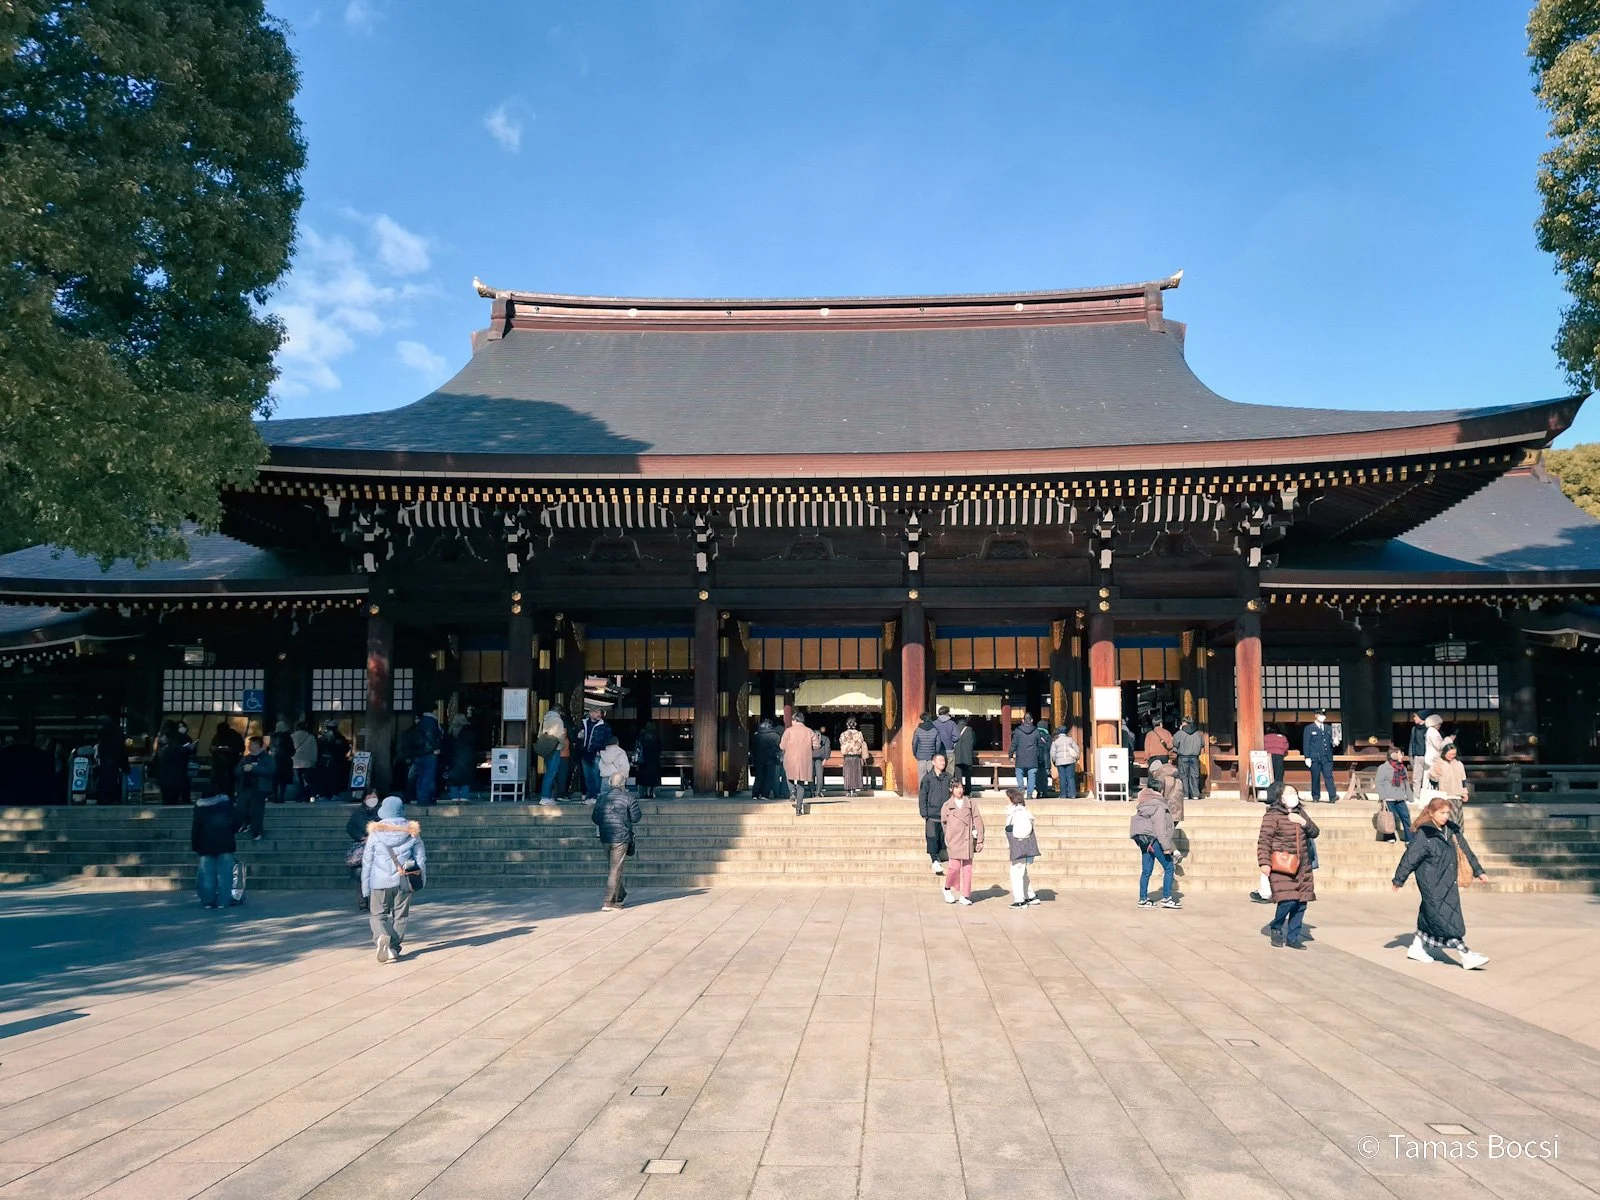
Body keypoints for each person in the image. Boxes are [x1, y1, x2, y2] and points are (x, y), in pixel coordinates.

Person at [1393, 795, 1489, 969]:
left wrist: (1478, 871)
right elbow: (1410, 858)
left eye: (1447, 812)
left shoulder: (1451, 830)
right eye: (1442, 812)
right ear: (1431, 813)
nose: (1445, 816)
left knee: (1431, 917)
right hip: (1430, 883)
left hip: (1448, 881)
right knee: (1447, 919)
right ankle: (1465, 954)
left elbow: (1466, 851)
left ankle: (1416, 947)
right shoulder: (1425, 834)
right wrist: (1399, 879)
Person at [361, 795, 426, 963]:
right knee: (401, 916)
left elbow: (367, 862)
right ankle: (394, 948)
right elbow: (420, 859)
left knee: (377, 915)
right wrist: (421, 879)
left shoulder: (376, 833)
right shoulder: (412, 833)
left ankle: (382, 936)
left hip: (379, 881)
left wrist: (365, 887)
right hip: (403, 880)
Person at [1257, 783, 1319, 948]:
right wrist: (1264, 862)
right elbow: (1264, 840)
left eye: (1295, 792)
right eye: (1289, 792)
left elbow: (1315, 832)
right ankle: (1276, 927)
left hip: (1303, 865)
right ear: (1281, 797)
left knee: (1301, 903)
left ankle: (1293, 937)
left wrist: (1303, 822)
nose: (1293, 795)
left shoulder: (1300, 813)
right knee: (1287, 900)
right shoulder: (1273, 816)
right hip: (1282, 864)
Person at [593, 771, 643, 911]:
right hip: (621, 836)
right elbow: (636, 818)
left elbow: (595, 818)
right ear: (623, 784)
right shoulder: (629, 797)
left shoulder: (602, 798)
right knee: (615, 868)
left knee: (614, 867)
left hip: (605, 836)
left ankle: (620, 894)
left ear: (610, 784)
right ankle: (609, 902)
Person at [1129, 782, 1179, 909]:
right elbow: (1160, 828)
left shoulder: (1142, 805)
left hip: (1143, 840)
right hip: (1154, 839)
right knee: (1169, 868)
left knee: (1146, 871)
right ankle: (1167, 898)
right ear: (1161, 790)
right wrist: (1167, 847)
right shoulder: (1159, 806)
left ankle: (1143, 898)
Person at [939, 779, 984, 906]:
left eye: (961, 787)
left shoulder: (970, 803)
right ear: (951, 789)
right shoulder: (947, 806)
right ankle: (947, 888)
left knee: (967, 868)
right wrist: (949, 836)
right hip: (954, 839)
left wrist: (980, 839)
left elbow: (977, 820)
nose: (959, 790)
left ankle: (965, 894)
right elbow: (944, 823)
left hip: (967, 839)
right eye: (956, 787)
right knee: (954, 866)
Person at [191, 790, 238, 909]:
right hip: (225, 842)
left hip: (205, 843)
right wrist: (230, 832)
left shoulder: (199, 806)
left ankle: (207, 900)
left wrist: (196, 845)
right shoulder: (226, 802)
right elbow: (236, 821)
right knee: (225, 874)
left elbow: (196, 827)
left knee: (207, 874)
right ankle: (223, 901)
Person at [1004, 788, 1042, 908]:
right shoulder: (1018, 811)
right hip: (1020, 845)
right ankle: (1031, 896)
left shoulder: (1018, 812)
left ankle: (1019, 899)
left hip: (1019, 845)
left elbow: (1022, 830)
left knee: (1016, 872)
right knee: (1022, 872)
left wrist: (1016, 837)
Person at [918, 751, 953, 876]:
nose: (942, 763)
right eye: (940, 761)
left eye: (943, 761)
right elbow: (922, 797)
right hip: (932, 814)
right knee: (932, 838)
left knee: (943, 839)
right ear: (933, 762)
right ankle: (934, 860)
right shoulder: (927, 779)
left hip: (945, 815)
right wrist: (924, 813)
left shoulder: (948, 778)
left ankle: (941, 858)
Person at [345, 792, 381, 909]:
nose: (372, 799)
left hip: (378, 846)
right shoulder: (358, 813)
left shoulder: (382, 812)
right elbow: (350, 827)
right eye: (369, 797)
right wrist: (361, 837)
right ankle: (362, 899)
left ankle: (375, 899)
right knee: (360, 872)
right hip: (363, 847)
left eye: (374, 797)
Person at [237, 734, 276, 840]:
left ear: (258, 745)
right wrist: (243, 769)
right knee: (241, 808)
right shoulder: (246, 758)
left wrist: (254, 769)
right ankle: (245, 824)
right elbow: (237, 771)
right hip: (245, 787)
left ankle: (257, 831)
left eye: (252, 744)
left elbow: (271, 771)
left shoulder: (267, 758)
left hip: (259, 788)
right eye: (249, 744)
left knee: (256, 811)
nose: (249, 746)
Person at [1375, 746, 1413, 845]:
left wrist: (1410, 797)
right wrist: (1382, 796)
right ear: (1394, 755)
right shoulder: (1383, 767)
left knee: (1405, 816)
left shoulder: (1402, 767)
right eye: (1400, 753)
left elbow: (1406, 783)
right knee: (1390, 817)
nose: (1402, 756)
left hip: (1400, 797)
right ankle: (1389, 836)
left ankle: (1409, 837)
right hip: (1388, 797)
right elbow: (1379, 783)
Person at [780, 712, 814, 814]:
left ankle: (792, 791)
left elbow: (782, 746)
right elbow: (816, 745)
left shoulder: (788, 731)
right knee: (801, 783)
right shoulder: (809, 731)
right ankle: (799, 808)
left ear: (794, 720)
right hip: (804, 760)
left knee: (788, 775)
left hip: (790, 759)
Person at [1301, 709, 1338, 804]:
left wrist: (1334, 742)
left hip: (1327, 756)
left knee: (1329, 777)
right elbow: (1306, 743)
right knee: (1315, 777)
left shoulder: (1328, 728)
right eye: (1321, 715)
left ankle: (1332, 796)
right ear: (1316, 715)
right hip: (1315, 757)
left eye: (1324, 715)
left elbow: (1330, 742)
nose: (1323, 717)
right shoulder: (1309, 728)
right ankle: (1316, 796)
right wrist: (1307, 757)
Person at [1427, 742, 1469, 821]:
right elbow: (1433, 780)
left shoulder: (1459, 764)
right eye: (1450, 754)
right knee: (1449, 819)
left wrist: (1465, 792)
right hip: (1445, 796)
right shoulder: (1438, 763)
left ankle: (1458, 833)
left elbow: (1463, 780)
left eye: (1454, 754)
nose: (1452, 756)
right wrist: (1435, 774)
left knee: (1458, 819)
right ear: (1444, 753)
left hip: (1457, 795)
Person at [154, 720, 190, 807]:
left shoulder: (160, 738)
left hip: (163, 771)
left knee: (166, 797)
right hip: (176, 771)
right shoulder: (179, 738)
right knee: (174, 798)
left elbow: (156, 752)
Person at [411, 710, 444, 805]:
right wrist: (436, 748)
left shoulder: (419, 723)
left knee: (420, 776)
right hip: (430, 753)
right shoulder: (432, 723)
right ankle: (427, 798)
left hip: (419, 753)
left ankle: (420, 798)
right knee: (428, 777)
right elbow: (435, 737)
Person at [578, 708, 611, 801]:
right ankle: (590, 794)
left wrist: (601, 749)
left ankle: (596, 794)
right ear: (590, 713)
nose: (599, 714)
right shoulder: (583, 724)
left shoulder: (604, 725)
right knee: (587, 775)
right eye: (596, 712)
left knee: (596, 774)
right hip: (585, 752)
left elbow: (608, 738)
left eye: (599, 712)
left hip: (596, 753)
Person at [94, 717, 128, 805]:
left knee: (105, 784)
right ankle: (113, 799)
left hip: (105, 764)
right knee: (112, 782)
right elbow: (121, 752)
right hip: (113, 764)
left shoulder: (102, 737)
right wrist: (125, 767)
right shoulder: (116, 735)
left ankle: (105, 799)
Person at [315, 720, 351, 801]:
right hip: (335, 760)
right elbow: (346, 748)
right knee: (334, 778)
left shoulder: (324, 737)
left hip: (325, 760)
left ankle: (323, 794)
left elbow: (318, 748)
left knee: (324, 777)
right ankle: (333, 793)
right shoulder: (340, 737)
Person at [536, 708, 565, 804]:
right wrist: (563, 744)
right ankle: (545, 796)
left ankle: (547, 796)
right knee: (551, 773)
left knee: (549, 771)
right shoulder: (557, 720)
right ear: (559, 711)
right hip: (555, 748)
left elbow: (540, 734)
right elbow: (560, 735)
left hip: (547, 749)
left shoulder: (545, 718)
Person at [1010, 712, 1042, 799]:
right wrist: (1040, 757)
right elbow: (1040, 745)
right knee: (1032, 775)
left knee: (1019, 772)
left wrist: (1011, 755)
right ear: (1031, 720)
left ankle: (1021, 789)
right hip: (1033, 757)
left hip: (1021, 757)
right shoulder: (1036, 731)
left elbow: (1014, 744)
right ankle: (1029, 794)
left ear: (1023, 720)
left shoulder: (1018, 731)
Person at [445, 713, 476, 801]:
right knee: (466, 779)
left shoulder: (450, 733)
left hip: (453, 760)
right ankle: (464, 797)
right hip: (466, 759)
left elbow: (446, 749)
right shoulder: (469, 732)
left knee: (453, 780)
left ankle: (454, 797)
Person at [209, 721, 244, 798]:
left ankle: (224, 795)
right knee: (227, 780)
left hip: (228, 762)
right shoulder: (233, 735)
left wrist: (227, 750)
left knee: (226, 779)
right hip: (224, 762)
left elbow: (239, 748)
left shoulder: (231, 736)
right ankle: (227, 795)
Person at [1148, 755, 1185, 825]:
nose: (1152, 775)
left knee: (1164, 830)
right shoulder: (1174, 774)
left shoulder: (1160, 778)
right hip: (1177, 805)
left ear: (1155, 770)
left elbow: (1159, 796)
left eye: (1152, 773)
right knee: (1170, 828)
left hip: (1168, 807)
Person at [1173, 718, 1204, 801]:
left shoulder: (1179, 733)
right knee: (1195, 776)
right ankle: (1195, 794)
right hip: (1194, 757)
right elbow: (1202, 744)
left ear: (1184, 723)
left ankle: (1185, 794)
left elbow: (1174, 744)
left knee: (1183, 775)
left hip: (1183, 756)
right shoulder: (1198, 733)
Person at [751, 719, 781, 799]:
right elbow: (779, 747)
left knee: (759, 776)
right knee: (769, 777)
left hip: (758, 759)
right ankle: (765, 794)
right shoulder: (775, 735)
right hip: (770, 759)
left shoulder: (757, 735)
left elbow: (752, 748)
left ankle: (755, 794)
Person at [839, 718, 868, 797]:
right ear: (855, 724)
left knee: (848, 773)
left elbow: (841, 743)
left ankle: (848, 791)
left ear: (847, 724)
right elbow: (861, 743)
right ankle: (854, 791)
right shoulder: (859, 734)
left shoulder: (843, 734)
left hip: (847, 756)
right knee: (856, 773)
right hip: (856, 756)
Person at [1049, 726, 1081, 799]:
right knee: (1070, 777)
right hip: (1070, 761)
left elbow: (1052, 753)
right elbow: (1077, 749)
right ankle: (1072, 794)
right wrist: (1076, 757)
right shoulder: (1070, 740)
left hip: (1060, 762)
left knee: (1062, 778)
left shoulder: (1055, 741)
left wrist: (1054, 760)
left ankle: (1063, 795)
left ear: (1059, 732)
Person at [635, 721, 663, 799]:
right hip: (654, 761)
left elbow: (638, 747)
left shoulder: (642, 736)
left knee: (643, 778)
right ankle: (651, 792)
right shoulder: (656, 737)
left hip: (644, 760)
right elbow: (659, 748)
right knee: (652, 778)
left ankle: (643, 792)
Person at [911, 713, 941, 785]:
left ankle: (922, 794)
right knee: (932, 777)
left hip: (921, 757)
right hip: (931, 756)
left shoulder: (918, 730)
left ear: (922, 720)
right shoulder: (935, 730)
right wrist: (936, 754)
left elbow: (914, 743)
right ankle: (931, 794)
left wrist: (915, 754)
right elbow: (938, 743)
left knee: (922, 777)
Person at [290, 720, 316, 800]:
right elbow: (314, 750)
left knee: (298, 781)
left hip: (295, 762)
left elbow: (289, 748)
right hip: (307, 762)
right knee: (307, 780)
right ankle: (308, 795)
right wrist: (314, 761)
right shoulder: (310, 737)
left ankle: (299, 796)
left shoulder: (292, 736)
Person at [270, 719, 295, 803]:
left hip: (274, 760)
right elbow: (291, 750)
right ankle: (281, 797)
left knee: (274, 780)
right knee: (283, 780)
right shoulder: (287, 737)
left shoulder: (272, 737)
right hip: (285, 761)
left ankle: (274, 796)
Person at [1409, 711, 1432, 797]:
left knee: (1427, 778)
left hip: (1428, 756)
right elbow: (1412, 743)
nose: (1414, 718)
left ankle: (1426, 796)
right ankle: (1416, 796)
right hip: (1417, 756)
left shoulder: (1429, 729)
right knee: (1416, 778)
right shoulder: (1414, 729)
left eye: (1416, 717)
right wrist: (1411, 755)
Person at [952, 716, 977, 792]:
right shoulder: (970, 730)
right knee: (968, 776)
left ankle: (960, 790)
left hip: (957, 755)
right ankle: (968, 791)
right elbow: (974, 742)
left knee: (958, 776)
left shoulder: (954, 729)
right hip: (967, 755)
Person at [809, 723, 830, 799]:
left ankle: (812, 792)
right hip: (820, 758)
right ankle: (818, 792)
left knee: (810, 776)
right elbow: (827, 749)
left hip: (810, 757)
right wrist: (826, 758)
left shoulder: (809, 737)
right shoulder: (825, 738)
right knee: (819, 775)